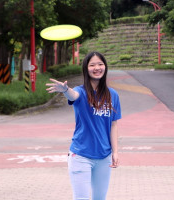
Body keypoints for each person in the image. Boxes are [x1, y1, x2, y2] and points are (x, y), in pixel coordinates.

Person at [46, 52, 122, 200]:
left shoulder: (113, 95)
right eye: (92, 65)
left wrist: (115, 152)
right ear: (86, 69)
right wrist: (65, 91)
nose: (97, 68)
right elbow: (73, 95)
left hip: (104, 156)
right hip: (81, 156)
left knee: (100, 198)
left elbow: (114, 125)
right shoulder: (81, 91)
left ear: (105, 67)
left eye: (100, 64)